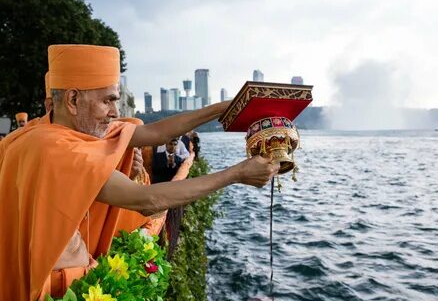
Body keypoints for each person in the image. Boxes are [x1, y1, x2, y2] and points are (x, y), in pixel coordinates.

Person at [0, 44, 279, 300]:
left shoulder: (52, 128)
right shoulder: (54, 148)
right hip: (52, 288)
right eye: (107, 101)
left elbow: (153, 132)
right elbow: (146, 200)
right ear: (72, 100)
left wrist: (222, 108)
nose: (114, 113)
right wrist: (237, 174)